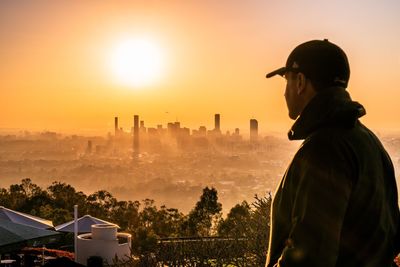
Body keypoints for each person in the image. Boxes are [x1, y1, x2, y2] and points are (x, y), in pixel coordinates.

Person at [265, 39, 400, 267]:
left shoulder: (324, 150)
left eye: (286, 81)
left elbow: (309, 257)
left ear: (299, 82)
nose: (284, 93)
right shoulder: (368, 141)